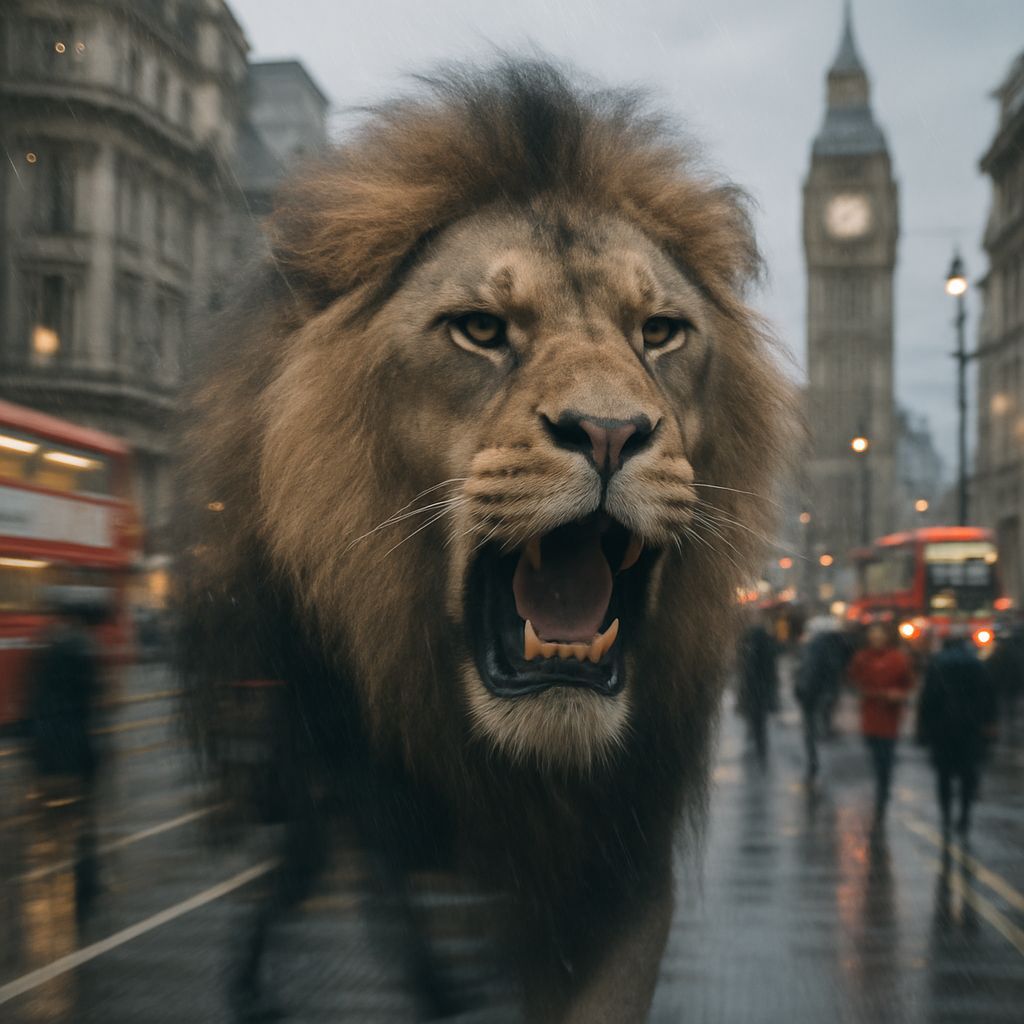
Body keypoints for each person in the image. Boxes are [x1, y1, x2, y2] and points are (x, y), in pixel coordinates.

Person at [26, 594, 104, 919]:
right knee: (83, 814)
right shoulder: (84, 647)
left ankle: (50, 878)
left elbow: (37, 693)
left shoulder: (47, 644)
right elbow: (89, 700)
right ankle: (85, 878)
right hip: (74, 741)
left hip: (46, 740)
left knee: (52, 816)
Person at [917, 632, 998, 841]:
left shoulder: (938, 665)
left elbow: (927, 699)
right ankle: (964, 816)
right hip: (970, 727)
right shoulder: (977, 665)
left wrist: (923, 729)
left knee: (944, 776)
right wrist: (989, 722)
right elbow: (989, 696)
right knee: (967, 774)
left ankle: (945, 817)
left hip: (943, 728)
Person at [847, 622, 914, 825]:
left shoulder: (897, 659)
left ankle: (883, 792)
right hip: (870, 716)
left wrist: (899, 695)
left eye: (879, 635)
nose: (876, 639)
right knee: (876, 756)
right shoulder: (862, 658)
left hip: (889, 717)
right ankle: (881, 787)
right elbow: (852, 680)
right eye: (872, 635)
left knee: (885, 757)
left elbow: (908, 684)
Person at [794, 627, 852, 779]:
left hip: (811, 693)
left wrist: (802, 689)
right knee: (816, 722)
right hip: (820, 693)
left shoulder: (814, 648)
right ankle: (815, 751)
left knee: (810, 728)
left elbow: (807, 671)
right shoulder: (835, 647)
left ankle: (813, 758)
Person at [737, 610, 779, 762]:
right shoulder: (767, 642)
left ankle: (755, 745)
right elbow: (771, 670)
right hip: (762, 688)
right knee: (760, 721)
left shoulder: (750, 642)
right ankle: (760, 747)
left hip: (753, 688)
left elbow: (746, 668)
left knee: (754, 719)